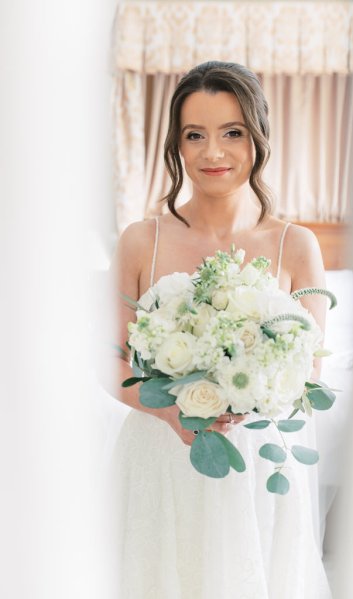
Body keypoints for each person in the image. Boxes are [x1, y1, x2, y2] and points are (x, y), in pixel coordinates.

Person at [109, 61, 331, 598]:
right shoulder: (142, 241)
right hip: (162, 453)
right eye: (195, 135)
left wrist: (252, 393)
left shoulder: (295, 245)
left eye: (232, 132)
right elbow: (111, 361)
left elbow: (312, 370)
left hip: (258, 458)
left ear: (258, 137)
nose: (213, 152)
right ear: (176, 145)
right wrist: (169, 411)